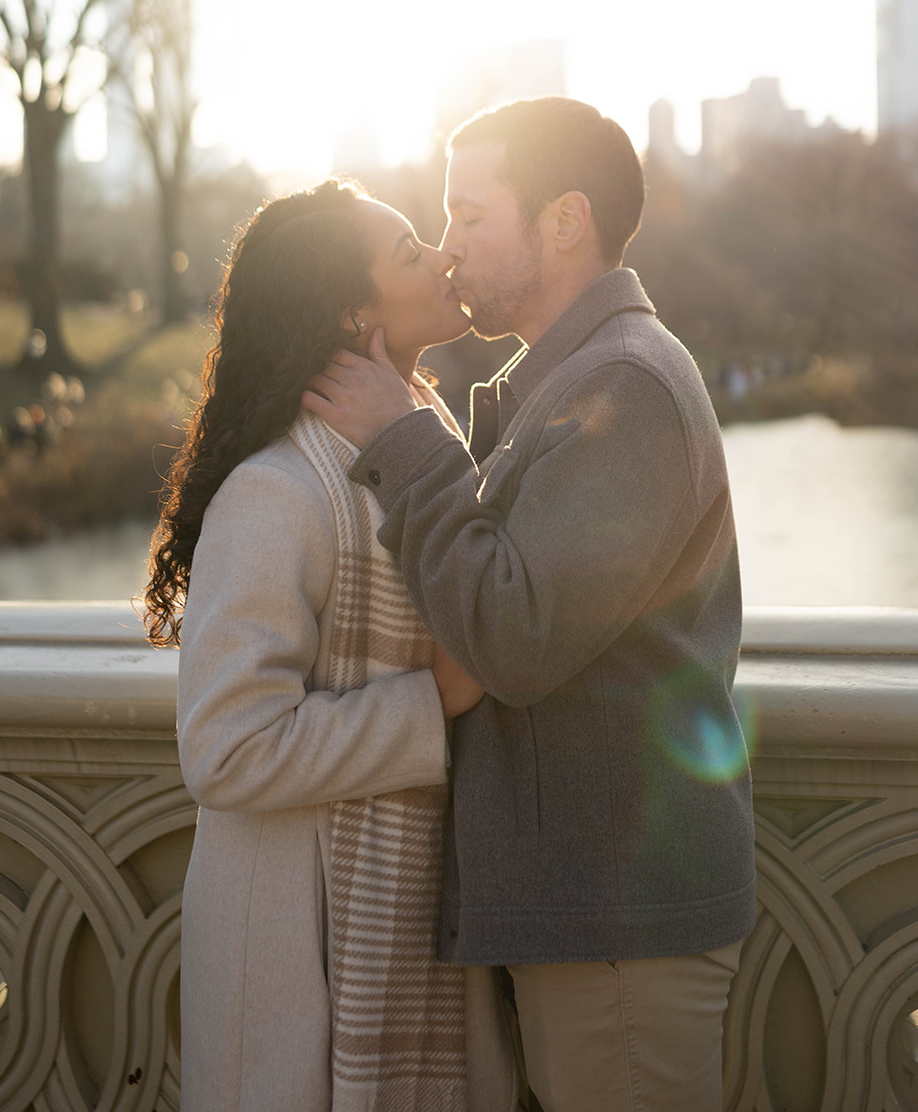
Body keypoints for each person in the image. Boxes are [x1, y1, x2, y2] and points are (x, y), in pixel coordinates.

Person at [303, 98, 757, 1112]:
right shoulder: (571, 382)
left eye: (469, 215)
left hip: (617, 933)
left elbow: (512, 637)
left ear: (563, 221)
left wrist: (403, 440)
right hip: (590, 924)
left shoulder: (625, 387)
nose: (449, 247)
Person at [143, 180, 519, 1112]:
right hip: (294, 955)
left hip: (421, 921)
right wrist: (430, 705)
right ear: (355, 312)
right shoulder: (280, 493)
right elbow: (223, 748)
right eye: (406, 253)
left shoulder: (423, 451)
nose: (441, 254)